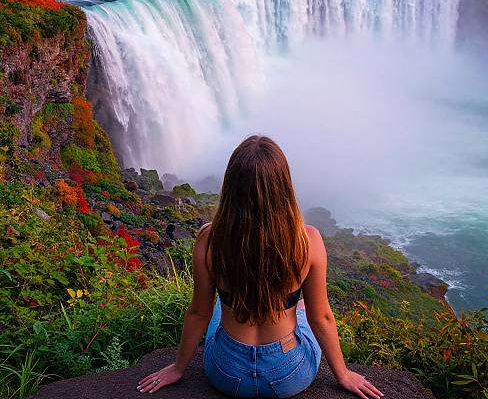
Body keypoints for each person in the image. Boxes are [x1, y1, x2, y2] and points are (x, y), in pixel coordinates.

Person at [137, 135, 383, 399]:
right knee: (302, 308)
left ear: (231, 185)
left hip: (226, 373)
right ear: (283, 185)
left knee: (219, 305)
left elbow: (199, 313)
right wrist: (343, 374)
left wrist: (177, 369)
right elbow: (320, 318)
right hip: (288, 374)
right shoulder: (307, 240)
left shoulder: (210, 239)